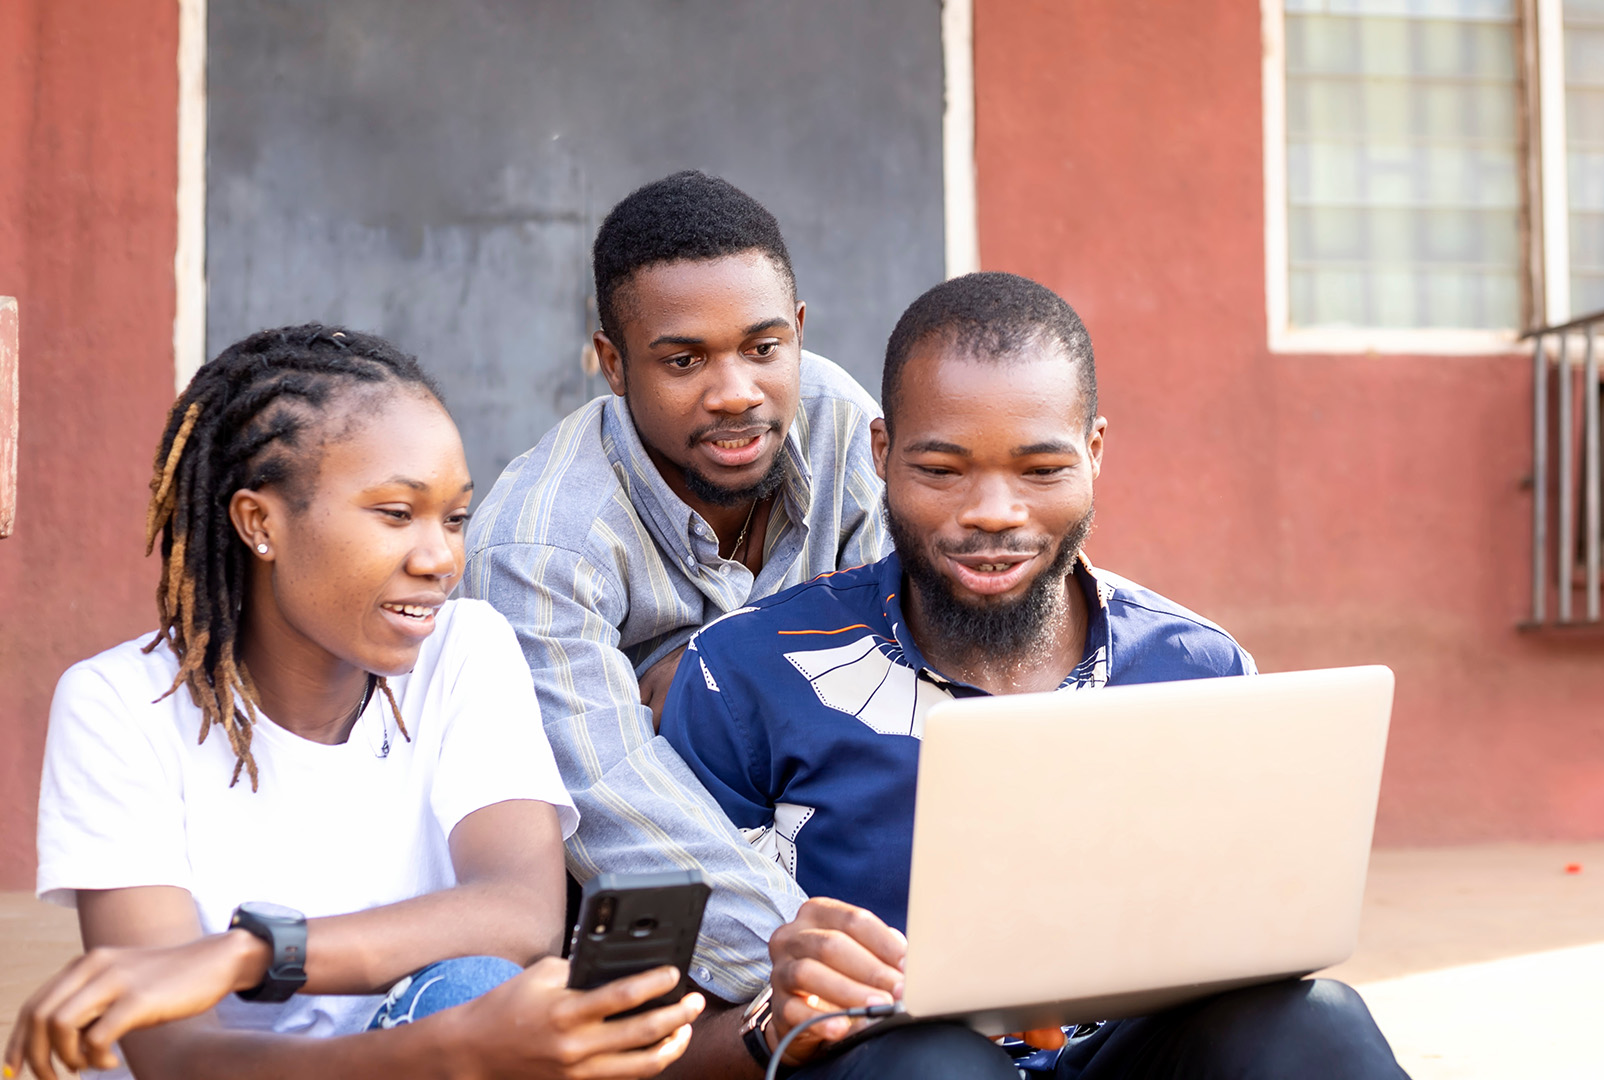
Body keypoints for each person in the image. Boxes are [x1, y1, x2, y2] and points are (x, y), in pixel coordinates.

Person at [657, 273, 1411, 1078]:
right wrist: (775, 1020)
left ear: (1093, 453)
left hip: (1129, 1057)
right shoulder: (744, 676)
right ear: (881, 454)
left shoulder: (1199, 669)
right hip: (891, 1065)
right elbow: (641, 1042)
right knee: (936, 1067)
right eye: (942, 470)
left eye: (1041, 470)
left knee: (1317, 1023)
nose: (994, 511)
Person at [7, 327, 703, 1080]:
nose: (438, 558)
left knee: (479, 987)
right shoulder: (120, 703)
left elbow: (519, 913)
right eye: (397, 514)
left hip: (430, 1048)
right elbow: (172, 1056)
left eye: (454, 518)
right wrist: (447, 1052)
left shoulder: (465, 651)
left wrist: (250, 952)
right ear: (259, 522)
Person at [458, 172, 888, 1013]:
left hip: (849, 858)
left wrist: (728, 669)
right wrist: (841, 976)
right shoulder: (538, 544)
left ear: (797, 333)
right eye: (684, 360)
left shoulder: (839, 420)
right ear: (613, 365)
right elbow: (615, 810)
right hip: (658, 937)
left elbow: (915, 659)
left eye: (764, 349)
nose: (735, 392)